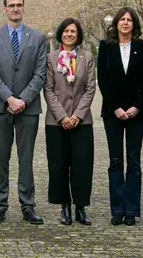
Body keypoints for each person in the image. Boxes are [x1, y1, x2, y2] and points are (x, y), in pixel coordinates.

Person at [0, 0, 47, 225]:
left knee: (26, 158)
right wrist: (9, 98)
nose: (16, 9)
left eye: (19, 4)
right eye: (11, 5)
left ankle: (27, 206)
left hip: (29, 109)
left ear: (24, 7)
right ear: (4, 9)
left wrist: (24, 99)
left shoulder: (37, 37)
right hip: (1, 107)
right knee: (1, 157)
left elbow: (41, 73)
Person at [97, 7, 143, 226]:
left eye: (129, 20)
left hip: (136, 113)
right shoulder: (106, 47)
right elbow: (103, 79)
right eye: (122, 20)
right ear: (117, 23)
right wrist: (116, 108)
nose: (126, 23)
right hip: (113, 113)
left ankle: (131, 210)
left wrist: (137, 107)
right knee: (115, 161)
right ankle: (117, 209)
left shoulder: (142, 46)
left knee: (134, 160)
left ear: (134, 24)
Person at [43, 18, 96, 226]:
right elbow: (47, 88)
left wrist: (77, 115)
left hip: (82, 122)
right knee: (59, 165)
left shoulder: (87, 57)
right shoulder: (51, 58)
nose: (69, 34)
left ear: (78, 34)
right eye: (65, 31)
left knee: (82, 165)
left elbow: (90, 88)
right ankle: (64, 206)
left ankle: (80, 207)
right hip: (57, 122)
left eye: (73, 31)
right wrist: (63, 116)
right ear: (60, 33)